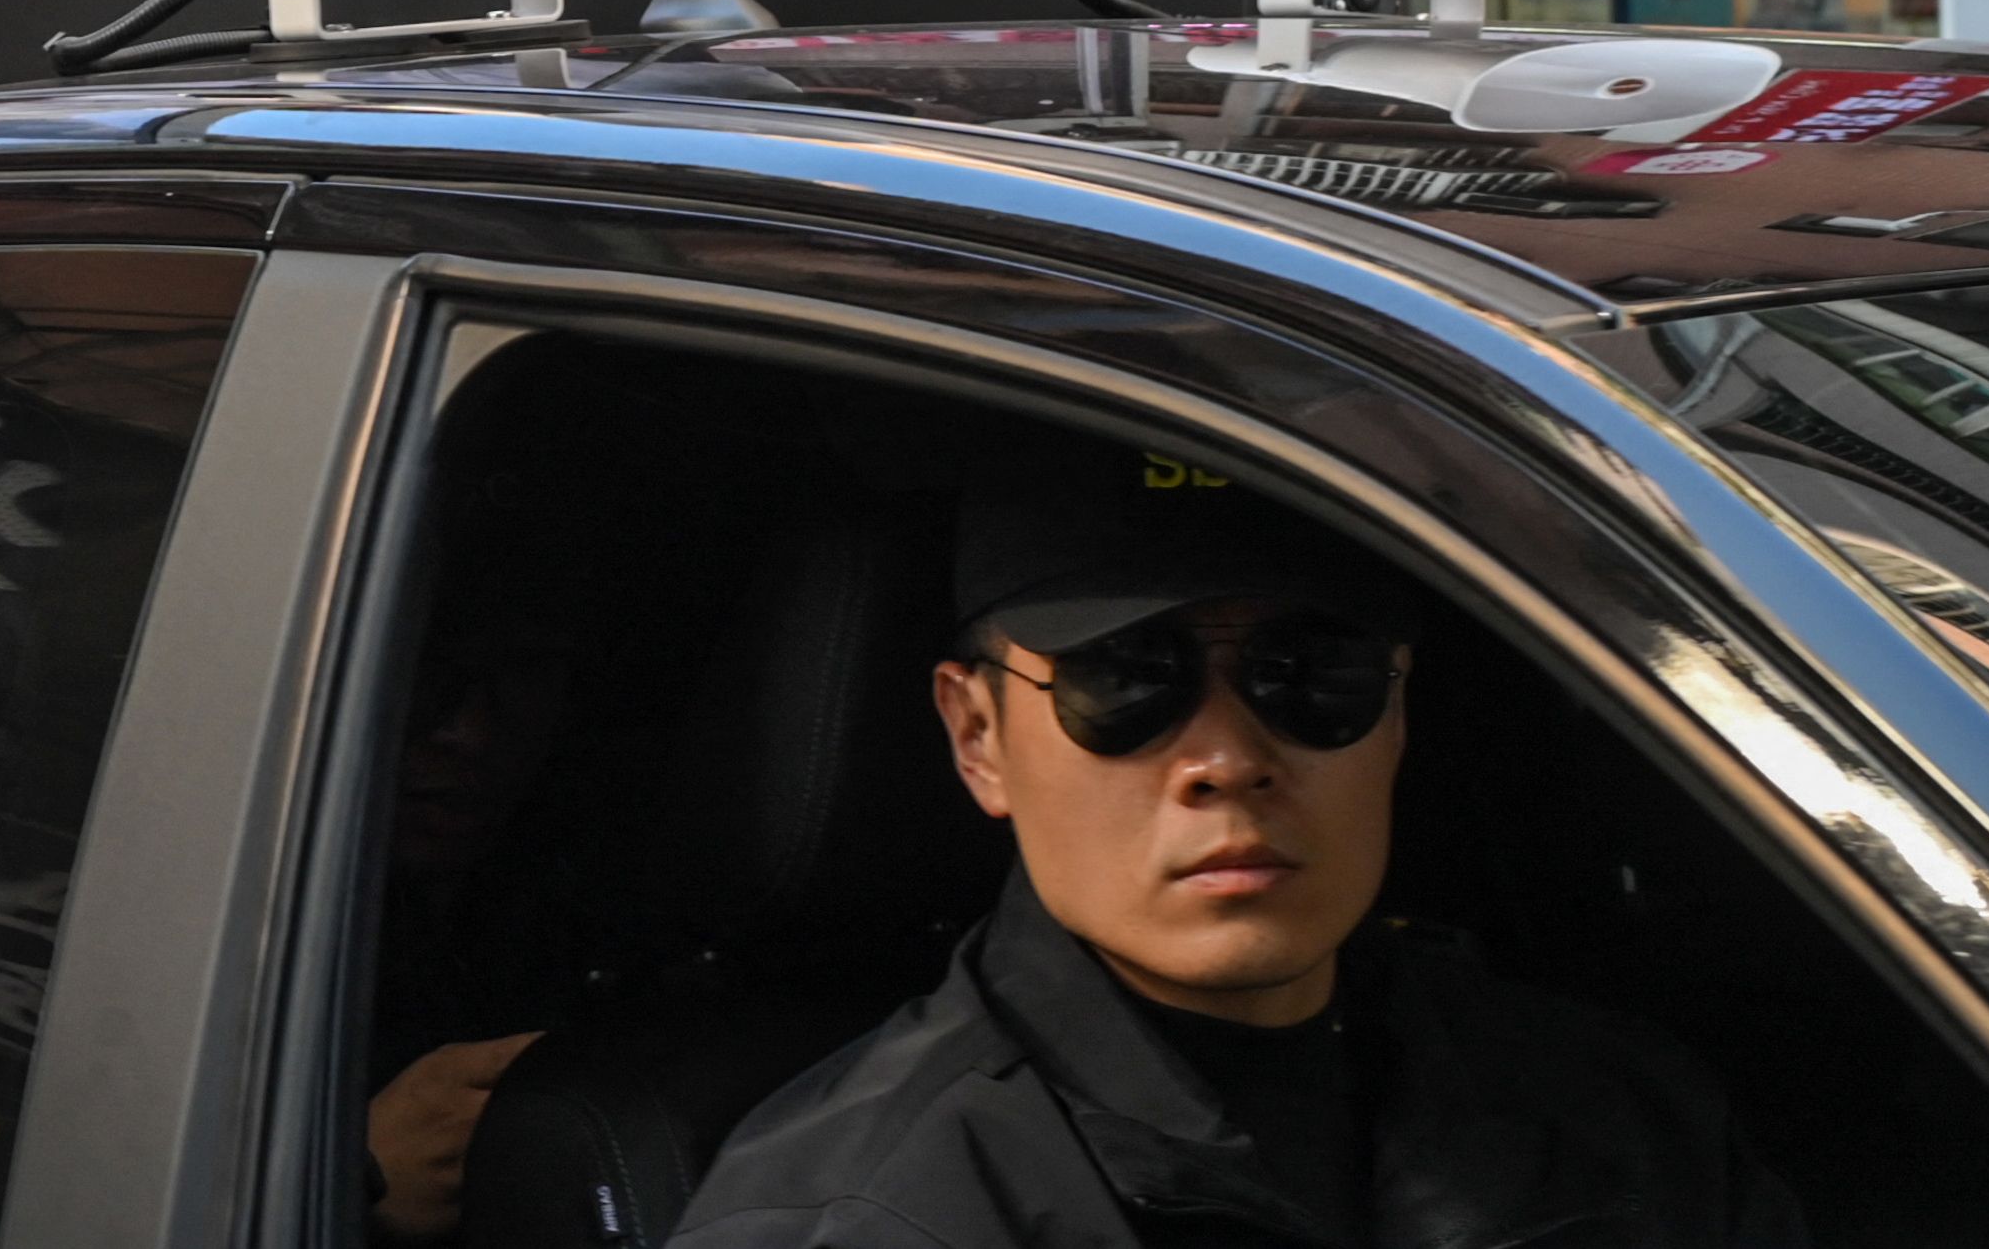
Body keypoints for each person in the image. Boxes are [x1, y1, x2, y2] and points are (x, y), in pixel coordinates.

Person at [672, 444, 1806, 1247]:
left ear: (1400, 714)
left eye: (1311, 674)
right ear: (979, 735)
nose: (1227, 755)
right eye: (1127, 677)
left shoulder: (1622, 1111)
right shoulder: (865, 1216)